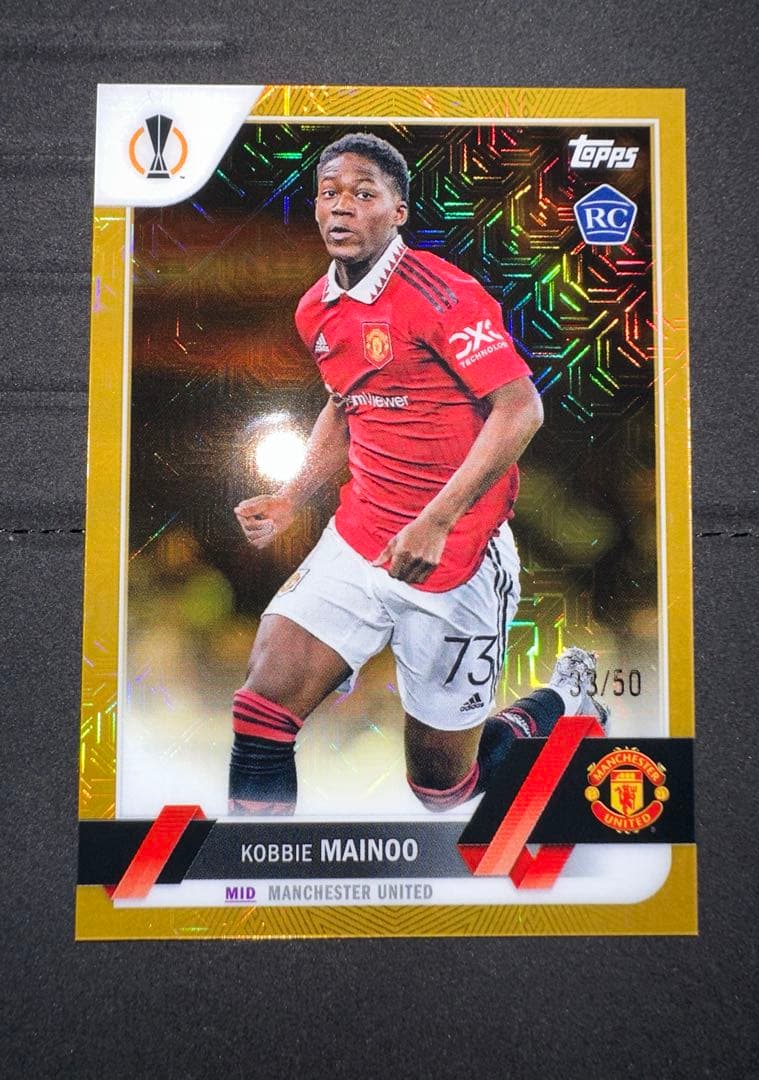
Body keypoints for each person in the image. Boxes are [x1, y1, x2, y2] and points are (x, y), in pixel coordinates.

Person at [228, 133, 604, 816]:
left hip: (456, 557)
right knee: (262, 709)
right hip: (358, 540)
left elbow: (521, 408)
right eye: (330, 193)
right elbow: (344, 403)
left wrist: (437, 519)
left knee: (441, 789)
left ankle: (563, 700)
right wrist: (292, 498)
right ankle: (253, 867)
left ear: (398, 210)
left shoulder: (441, 293)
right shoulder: (315, 309)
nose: (342, 206)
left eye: (363, 192)